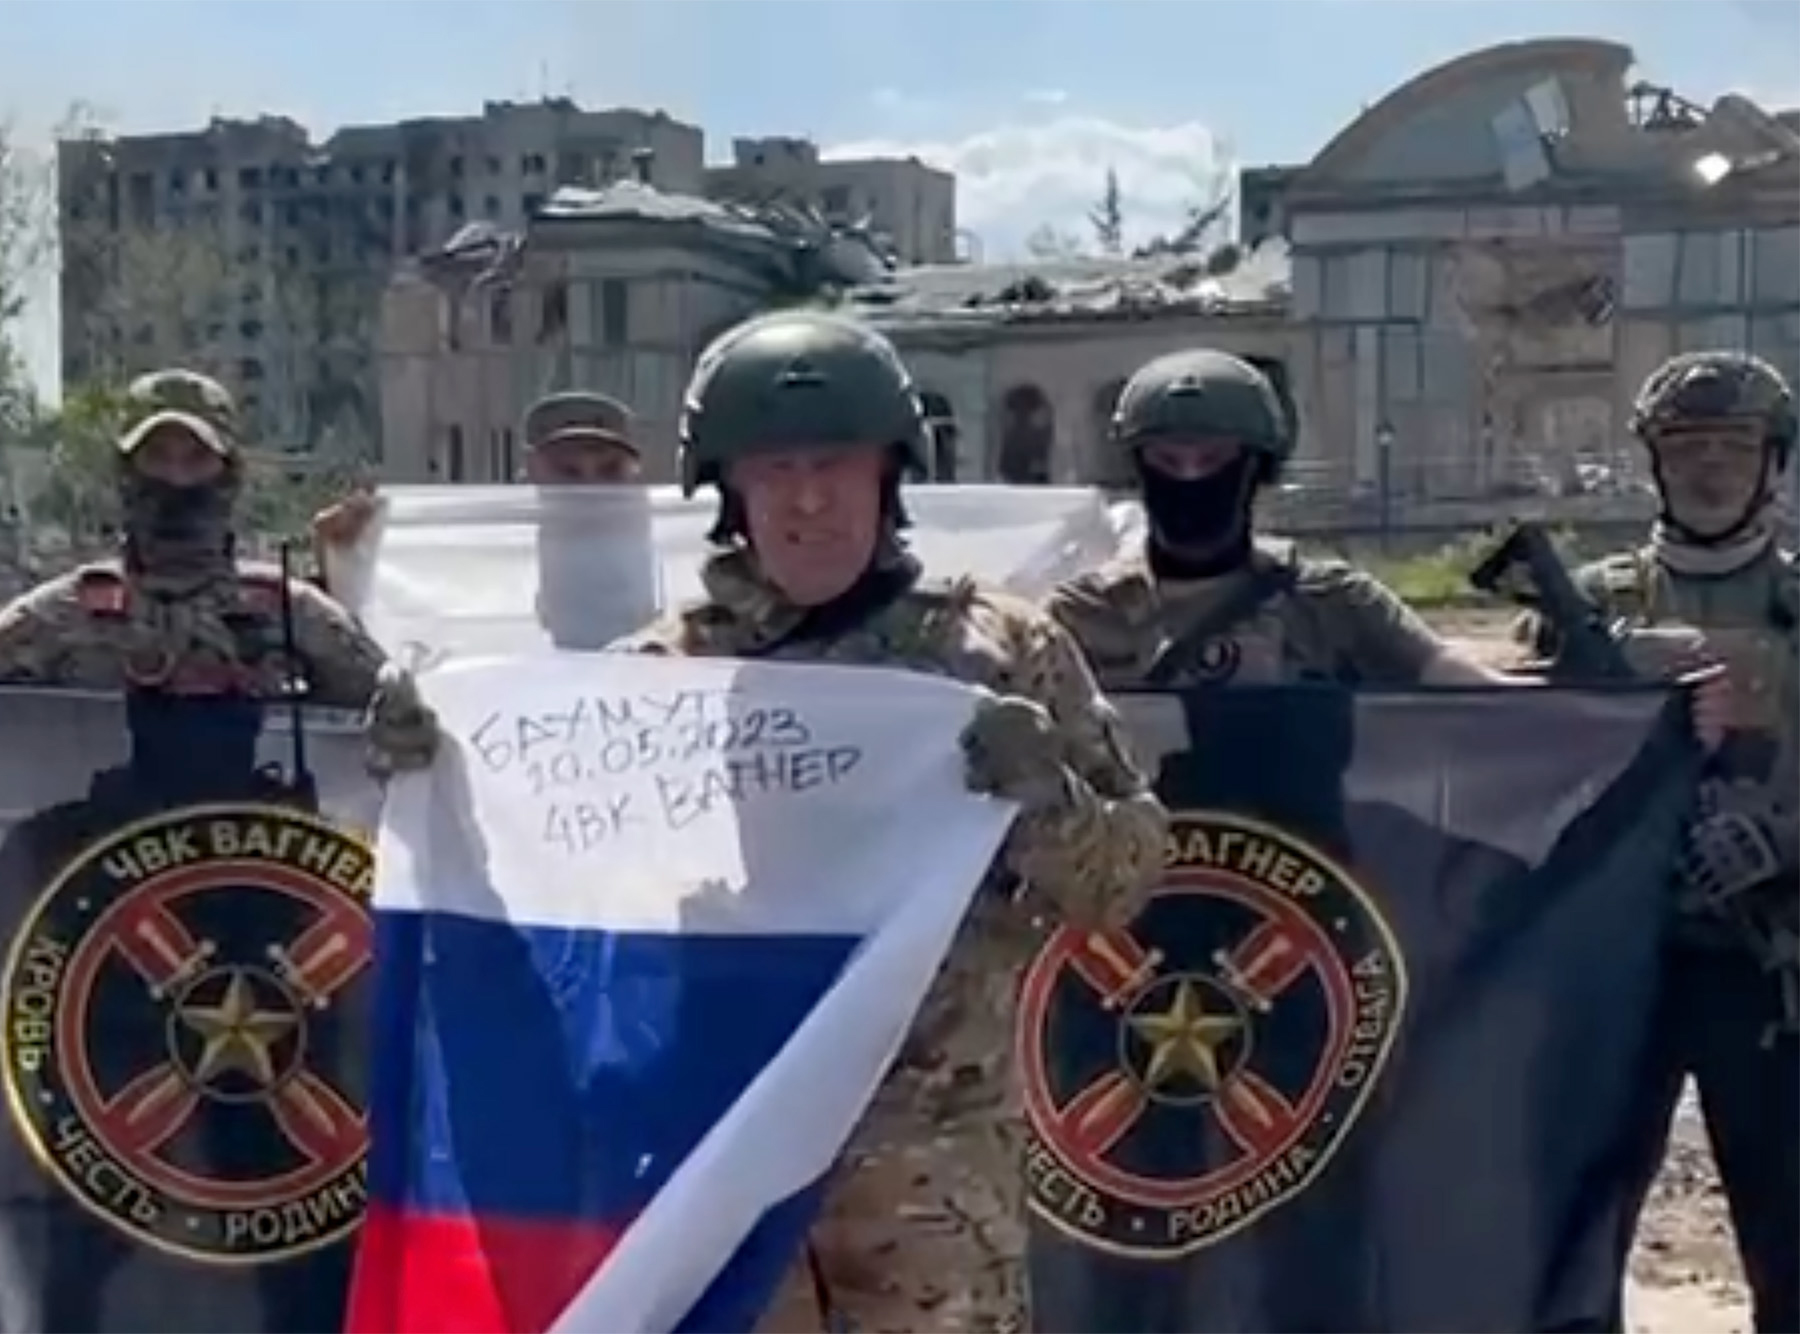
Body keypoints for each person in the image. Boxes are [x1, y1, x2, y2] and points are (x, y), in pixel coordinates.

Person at [602, 309, 1170, 1332]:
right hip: (726, 1152)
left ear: (889, 474)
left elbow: (1124, 879)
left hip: (931, 1169)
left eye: (836, 464)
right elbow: (555, 871)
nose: (808, 500)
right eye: (773, 469)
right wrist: (437, 768)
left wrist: (1045, 796)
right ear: (727, 489)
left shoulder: (995, 652)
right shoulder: (661, 677)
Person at [1526, 351, 1797, 1334]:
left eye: (1734, 445)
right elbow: (1505, 766)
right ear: (1652, 461)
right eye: (1686, 445)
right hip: (1613, 965)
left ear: (1773, 461)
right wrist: (1588, 686)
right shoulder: (1587, 604)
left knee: (1787, 1233)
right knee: (1572, 1232)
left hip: (1763, 967)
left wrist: (1778, 836)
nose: (1710, 466)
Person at [1048, 348, 1729, 734]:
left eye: (1213, 460)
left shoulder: (1329, 600)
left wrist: (1633, 693)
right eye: (1167, 462)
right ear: (1134, 468)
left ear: (1259, 468)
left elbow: (1477, 699)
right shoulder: (1077, 619)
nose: (1190, 480)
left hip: (1306, 906)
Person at [0, 368, 435, 771]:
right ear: (126, 473)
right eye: (157, 458)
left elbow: (404, 740)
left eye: (196, 459)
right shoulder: (53, 620)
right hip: (95, 861)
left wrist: (401, 722)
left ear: (229, 475)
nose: (176, 479)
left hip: (265, 859)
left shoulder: (297, 616)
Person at [309, 389, 645, 556]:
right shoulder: (482, 558)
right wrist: (349, 556)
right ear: (529, 474)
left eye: (610, 470)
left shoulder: (669, 560)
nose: (590, 488)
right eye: (567, 472)